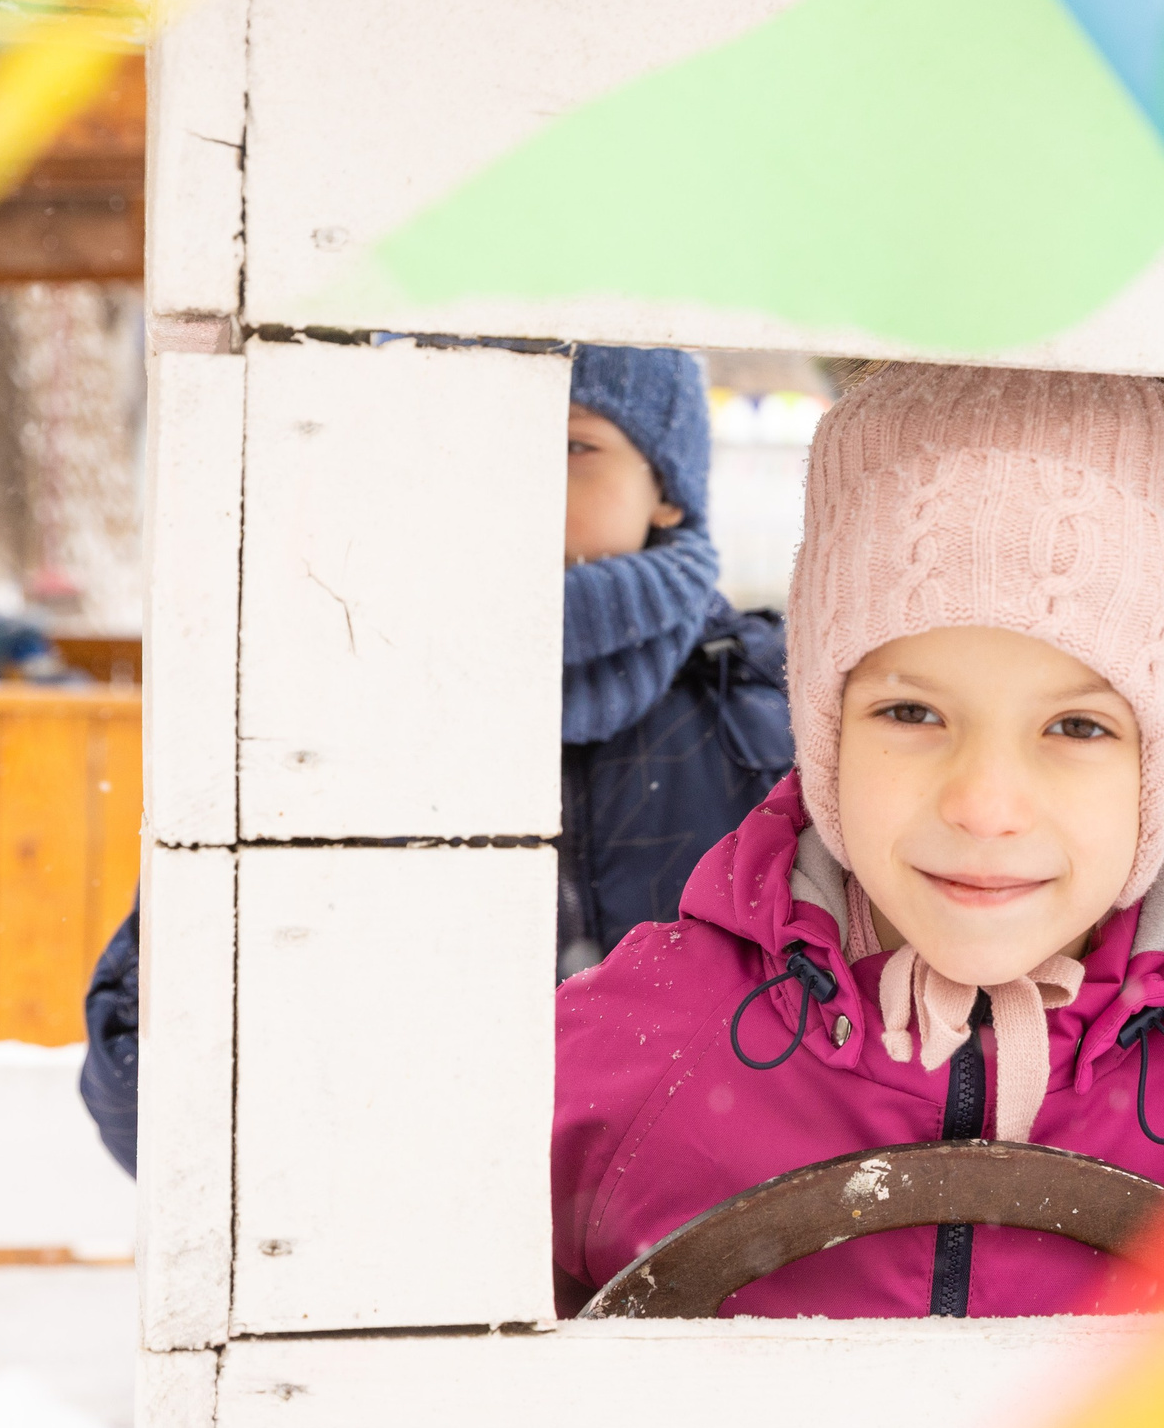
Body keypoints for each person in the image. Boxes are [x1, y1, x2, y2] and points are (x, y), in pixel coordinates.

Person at [552, 364, 1164, 1320]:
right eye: (913, 710)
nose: (985, 805)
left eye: (1076, 728)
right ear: (826, 727)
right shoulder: (640, 1054)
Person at [78, 345, 791, 1173]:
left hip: (696, 1271)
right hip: (391, 1265)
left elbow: (847, 1066)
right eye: (466, 438)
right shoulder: (312, 714)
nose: (511, 480)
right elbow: (152, 1091)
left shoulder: (771, 725)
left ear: (666, 488)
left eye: (570, 446)